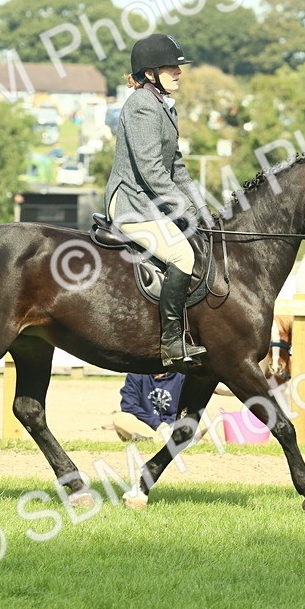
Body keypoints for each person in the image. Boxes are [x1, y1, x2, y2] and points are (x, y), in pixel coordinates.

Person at [103, 34, 210, 369]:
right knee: (182, 254)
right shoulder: (142, 106)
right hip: (131, 205)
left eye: (178, 67)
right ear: (150, 73)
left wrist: (203, 211)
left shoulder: (163, 106)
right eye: (170, 67)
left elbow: (177, 169)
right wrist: (185, 210)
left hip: (150, 204)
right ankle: (171, 343)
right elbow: (151, 170)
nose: (179, 72)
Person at [112, 372, 184, 442]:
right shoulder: (136, 373)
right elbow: (129, 406)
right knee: (119, 418)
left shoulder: (182, 375)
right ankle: (157, 439)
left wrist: (167, 424)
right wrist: (156, 424)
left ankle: (156, 440)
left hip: (173, 426)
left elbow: (186, 408)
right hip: (145, 427)